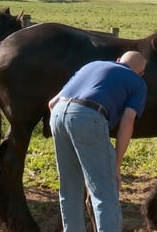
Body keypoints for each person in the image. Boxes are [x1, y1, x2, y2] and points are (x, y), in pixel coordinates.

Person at [48, 51, 147, 232]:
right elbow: (127, 123)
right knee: (105, 192)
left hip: (58, 114)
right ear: (140, 73)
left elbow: (52, 103)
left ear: (118, 60)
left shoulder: (91, 65)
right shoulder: (138, 82)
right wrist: (115, 165)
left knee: (70, 190)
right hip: (89, 116)